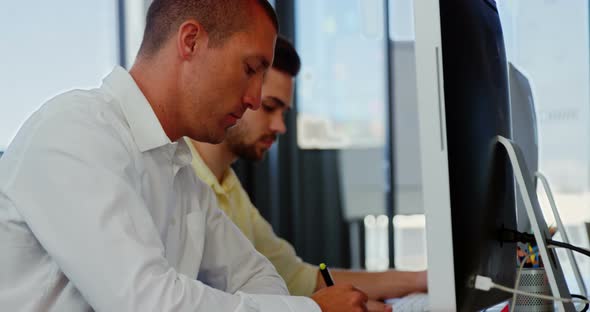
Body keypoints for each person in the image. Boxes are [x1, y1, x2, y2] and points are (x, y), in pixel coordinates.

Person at [0, 1, 368, 311]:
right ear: (191, 41)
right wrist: (311, 309)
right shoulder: (75, 131)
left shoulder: (179, 170)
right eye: (250, 69)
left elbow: (256, 276)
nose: (255, 98)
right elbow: (147, 302)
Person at [187, 36, 427, 312]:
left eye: (283, 113)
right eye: (269, 107)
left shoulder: (228, 186)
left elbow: (300, 278)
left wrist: (419, 279)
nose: (280, 126)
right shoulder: (179, 177)